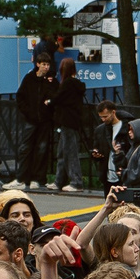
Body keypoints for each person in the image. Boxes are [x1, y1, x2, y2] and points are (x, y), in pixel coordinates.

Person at [9, 53, 57, 191]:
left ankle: (37, 178)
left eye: (47, 65)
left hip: (44, 120)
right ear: (38, 64)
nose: (46, 67)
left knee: (41, 149)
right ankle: (22, 177)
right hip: (31, 119)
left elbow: (55, 96)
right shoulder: (29, 78)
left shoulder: (51, 81)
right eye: (43, 64)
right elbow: (20, 96)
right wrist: (28, 112)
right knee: (26, 148)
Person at [53, 57, 86, 191]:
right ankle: (59, 181)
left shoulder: (67, 84)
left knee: (69, 152)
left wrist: (49, 101)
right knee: (63, 151)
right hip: (73, 120)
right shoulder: (76, 85)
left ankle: (76, 182)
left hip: (67, 120)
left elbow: (58, 98)